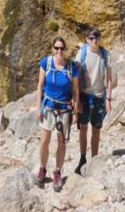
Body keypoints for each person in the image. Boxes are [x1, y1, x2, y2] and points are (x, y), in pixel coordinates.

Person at [35, 36, 79, 191]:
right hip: (48, 107)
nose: (59, 51)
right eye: (56, 48)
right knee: (44, 142)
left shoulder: (72, 67)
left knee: (61, 142)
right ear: (52, 49)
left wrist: (76, 112)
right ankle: (42, 168)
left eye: (62, 48)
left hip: (64, 110)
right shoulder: (45, 63)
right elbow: (40, 85)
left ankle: (58, 172)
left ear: (65, 49)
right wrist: (38, 107)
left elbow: (75, 90)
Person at [75, 25, 115, 174]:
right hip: (85, 96)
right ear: (87, 40)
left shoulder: (106, 54)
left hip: (99, 97)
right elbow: (75, 77)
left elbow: (110, 79)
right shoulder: (82, 53)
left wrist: (109, 100)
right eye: (91, 38)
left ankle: (95, 159)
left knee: (96, 130)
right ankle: (83, 158)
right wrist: (76, 100)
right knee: (83, 128)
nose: (94, 40)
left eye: (97, 37)